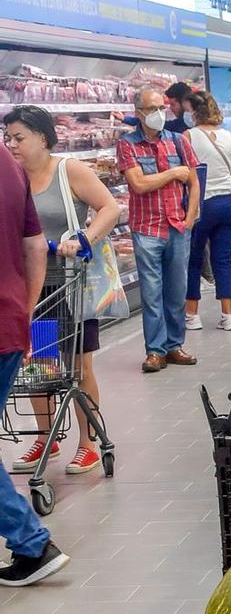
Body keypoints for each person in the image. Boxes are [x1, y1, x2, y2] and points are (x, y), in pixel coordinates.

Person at [2, 105, 118, 476]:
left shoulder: (69, 170)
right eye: (8, 138)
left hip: (70, 285)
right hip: (33, 289)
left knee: (80, 366)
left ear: (43, 137)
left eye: (19, 137)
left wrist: (83, 239)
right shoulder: (12, 176)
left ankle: (87, 443)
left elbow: (109, 207)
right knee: (41, 365)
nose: (12, 145)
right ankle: (45, 435)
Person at [0, 144, 67, 584]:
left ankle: (31, 543)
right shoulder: (7, 160)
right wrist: (24, 315)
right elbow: (34, 246)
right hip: (10, 321)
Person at [117, 85, 200, 374]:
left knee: (177, 291)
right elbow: (138, 185)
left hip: (178, 226)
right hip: (146, 229)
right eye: (151, 109)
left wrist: (190, 217)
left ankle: (174, 345)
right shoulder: (127, 144)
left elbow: (193, 180)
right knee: (151, 294)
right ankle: (155, 350)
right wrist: (172, 174)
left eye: (161, 108)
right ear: (139, 113)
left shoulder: (178, 141)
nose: (158, 114)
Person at [184, 90, 231, 333]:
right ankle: (228, 316)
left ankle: (192, 316)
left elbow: (185, 174)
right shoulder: (228, 137)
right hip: (228, 205)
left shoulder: (188, 136)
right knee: (222, 260)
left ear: (194, 112)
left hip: (202, 205)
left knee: (193, 261)